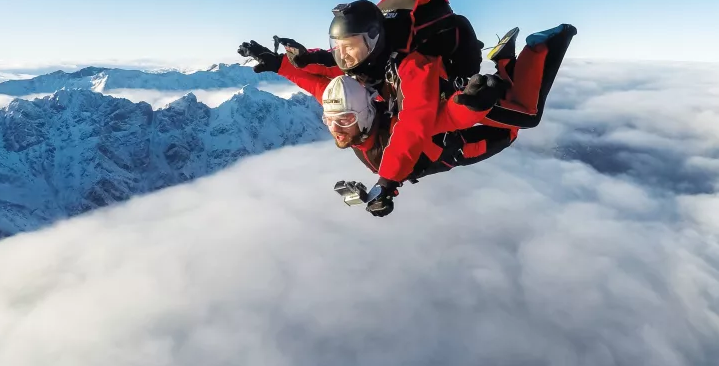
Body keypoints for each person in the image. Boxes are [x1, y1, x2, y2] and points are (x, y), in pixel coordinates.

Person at [237, 23, 577, 217]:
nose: (335, 128)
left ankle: (538, 48)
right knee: (506, 112)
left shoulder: (384, 143)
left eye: (343, 120)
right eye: (331, 121)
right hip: (450, 133)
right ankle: (502, 65)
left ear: (366, 111)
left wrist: (386, 182)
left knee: (523, 120)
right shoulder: (372, 118)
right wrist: (280, 65)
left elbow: (426, 125)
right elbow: (320, 88)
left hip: (456, 142)